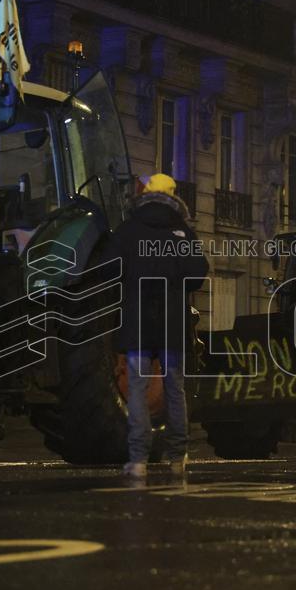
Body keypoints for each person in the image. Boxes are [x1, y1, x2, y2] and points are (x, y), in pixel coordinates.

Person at [105, 173, 209, 478]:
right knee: (174, 388)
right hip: (172, 323)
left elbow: (109, 269)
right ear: (173, 197)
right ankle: (177, 457)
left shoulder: (128, 230)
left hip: (138, 321)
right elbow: (197, 274)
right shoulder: (182, 233)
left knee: (137, 389)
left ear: (145, 195)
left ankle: (138, 459)